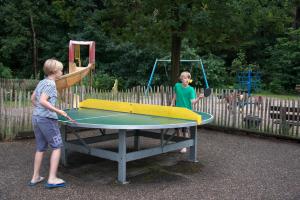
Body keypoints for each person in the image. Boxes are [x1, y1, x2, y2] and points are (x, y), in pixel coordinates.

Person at [29, 59, 75, 188]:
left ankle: (35, 177)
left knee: (40, 147)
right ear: (54, 71)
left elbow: (33, 98)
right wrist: (58, 111)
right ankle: (52, 178)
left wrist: (40, 111)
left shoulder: (42, 82)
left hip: (37, 117)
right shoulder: (51, 84)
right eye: (60, 70)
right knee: (57, 146)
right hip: (47, 120)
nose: (62, 72)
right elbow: (43, 101)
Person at [171, 71, 204, 153]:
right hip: (177, 111)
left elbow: (193, 102)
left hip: (186, 112)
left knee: (184, 130)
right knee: (177, 129)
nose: (186, 79)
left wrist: (199, 98)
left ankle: (184, 146)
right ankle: (179, 143)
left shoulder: (191, 90)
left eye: (188, 78)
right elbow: (175, 95)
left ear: (189, 79)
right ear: (181, 79)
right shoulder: (177, 86)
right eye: (184, 77)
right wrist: (171, 104)